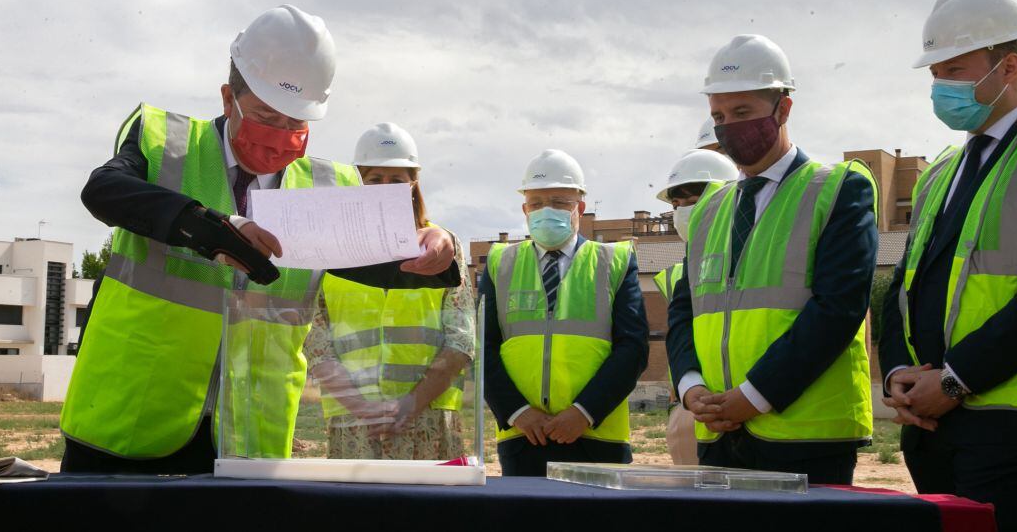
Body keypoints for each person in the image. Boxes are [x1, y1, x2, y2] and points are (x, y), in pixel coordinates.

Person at [60, 5, 461, 474]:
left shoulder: (325, 185)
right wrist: (215, 228)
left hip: (248, 436)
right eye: (267, 115)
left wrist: (438, 243)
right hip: (128, 418)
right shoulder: (163, 142)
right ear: (229, 98)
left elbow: (389, 261)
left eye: (297, 125)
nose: (281, 135)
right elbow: (105, 192)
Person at [666, 34, 878, 484]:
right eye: (718, 116)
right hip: (719, 435)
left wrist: (754, 395)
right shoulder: (708, 211)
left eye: (742, 113)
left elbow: (837, 308)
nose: (728, 127)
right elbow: (684, 312)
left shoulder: (839, 189)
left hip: (806, 438)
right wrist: (691, 388)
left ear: (783, 110)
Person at [879, 0, 1017, 531]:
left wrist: (956, 379)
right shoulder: (941, 171)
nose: (940, 87)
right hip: (932, 430)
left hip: (1010, 427)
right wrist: (898, 371)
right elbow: (902, 285)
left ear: (1008, 65)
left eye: (954, 69)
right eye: (934, 74)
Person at [304, 123, 476, 460]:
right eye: (375, 179)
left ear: (413, 185)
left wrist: (410, 404)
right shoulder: (331, 251)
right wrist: (364, 408)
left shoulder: (441, 248)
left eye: (396, 180)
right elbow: (316, 341)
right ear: (358, 183)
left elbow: (461, 338)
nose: (385, 188)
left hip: (428, 419)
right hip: (354, 423)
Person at [482, 149, 649, 476]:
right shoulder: (500, 263)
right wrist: (517, 412)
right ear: (524, 209)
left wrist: (584, 412)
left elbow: (633, 348)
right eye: (537, 202)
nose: (547, 211)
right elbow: (483, 348)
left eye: (559, 202)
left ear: (580, 208)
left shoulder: (614, 261)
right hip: (525, 436)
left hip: (597, 436)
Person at [652, 148, 737, 465]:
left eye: (695, 199)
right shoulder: (690, 263)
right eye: (678, 204)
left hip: (763, 412)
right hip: (695, 410)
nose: (686, 211)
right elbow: (680, 327)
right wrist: (690, 386)